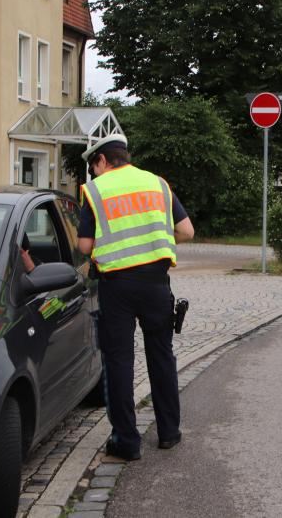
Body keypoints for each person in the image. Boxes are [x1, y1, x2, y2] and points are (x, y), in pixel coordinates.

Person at [77, 133, 195, 461]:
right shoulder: (157, 184)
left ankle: (127, 442)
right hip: (157, 285)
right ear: (124, 155)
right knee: (161, 357)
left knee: (119, 361)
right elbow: (187, 231)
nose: (93, 174)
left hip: (117, 287)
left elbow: (85, 247)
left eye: (93, 167)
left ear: (101, 160)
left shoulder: (97, 191)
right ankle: (169, 433)